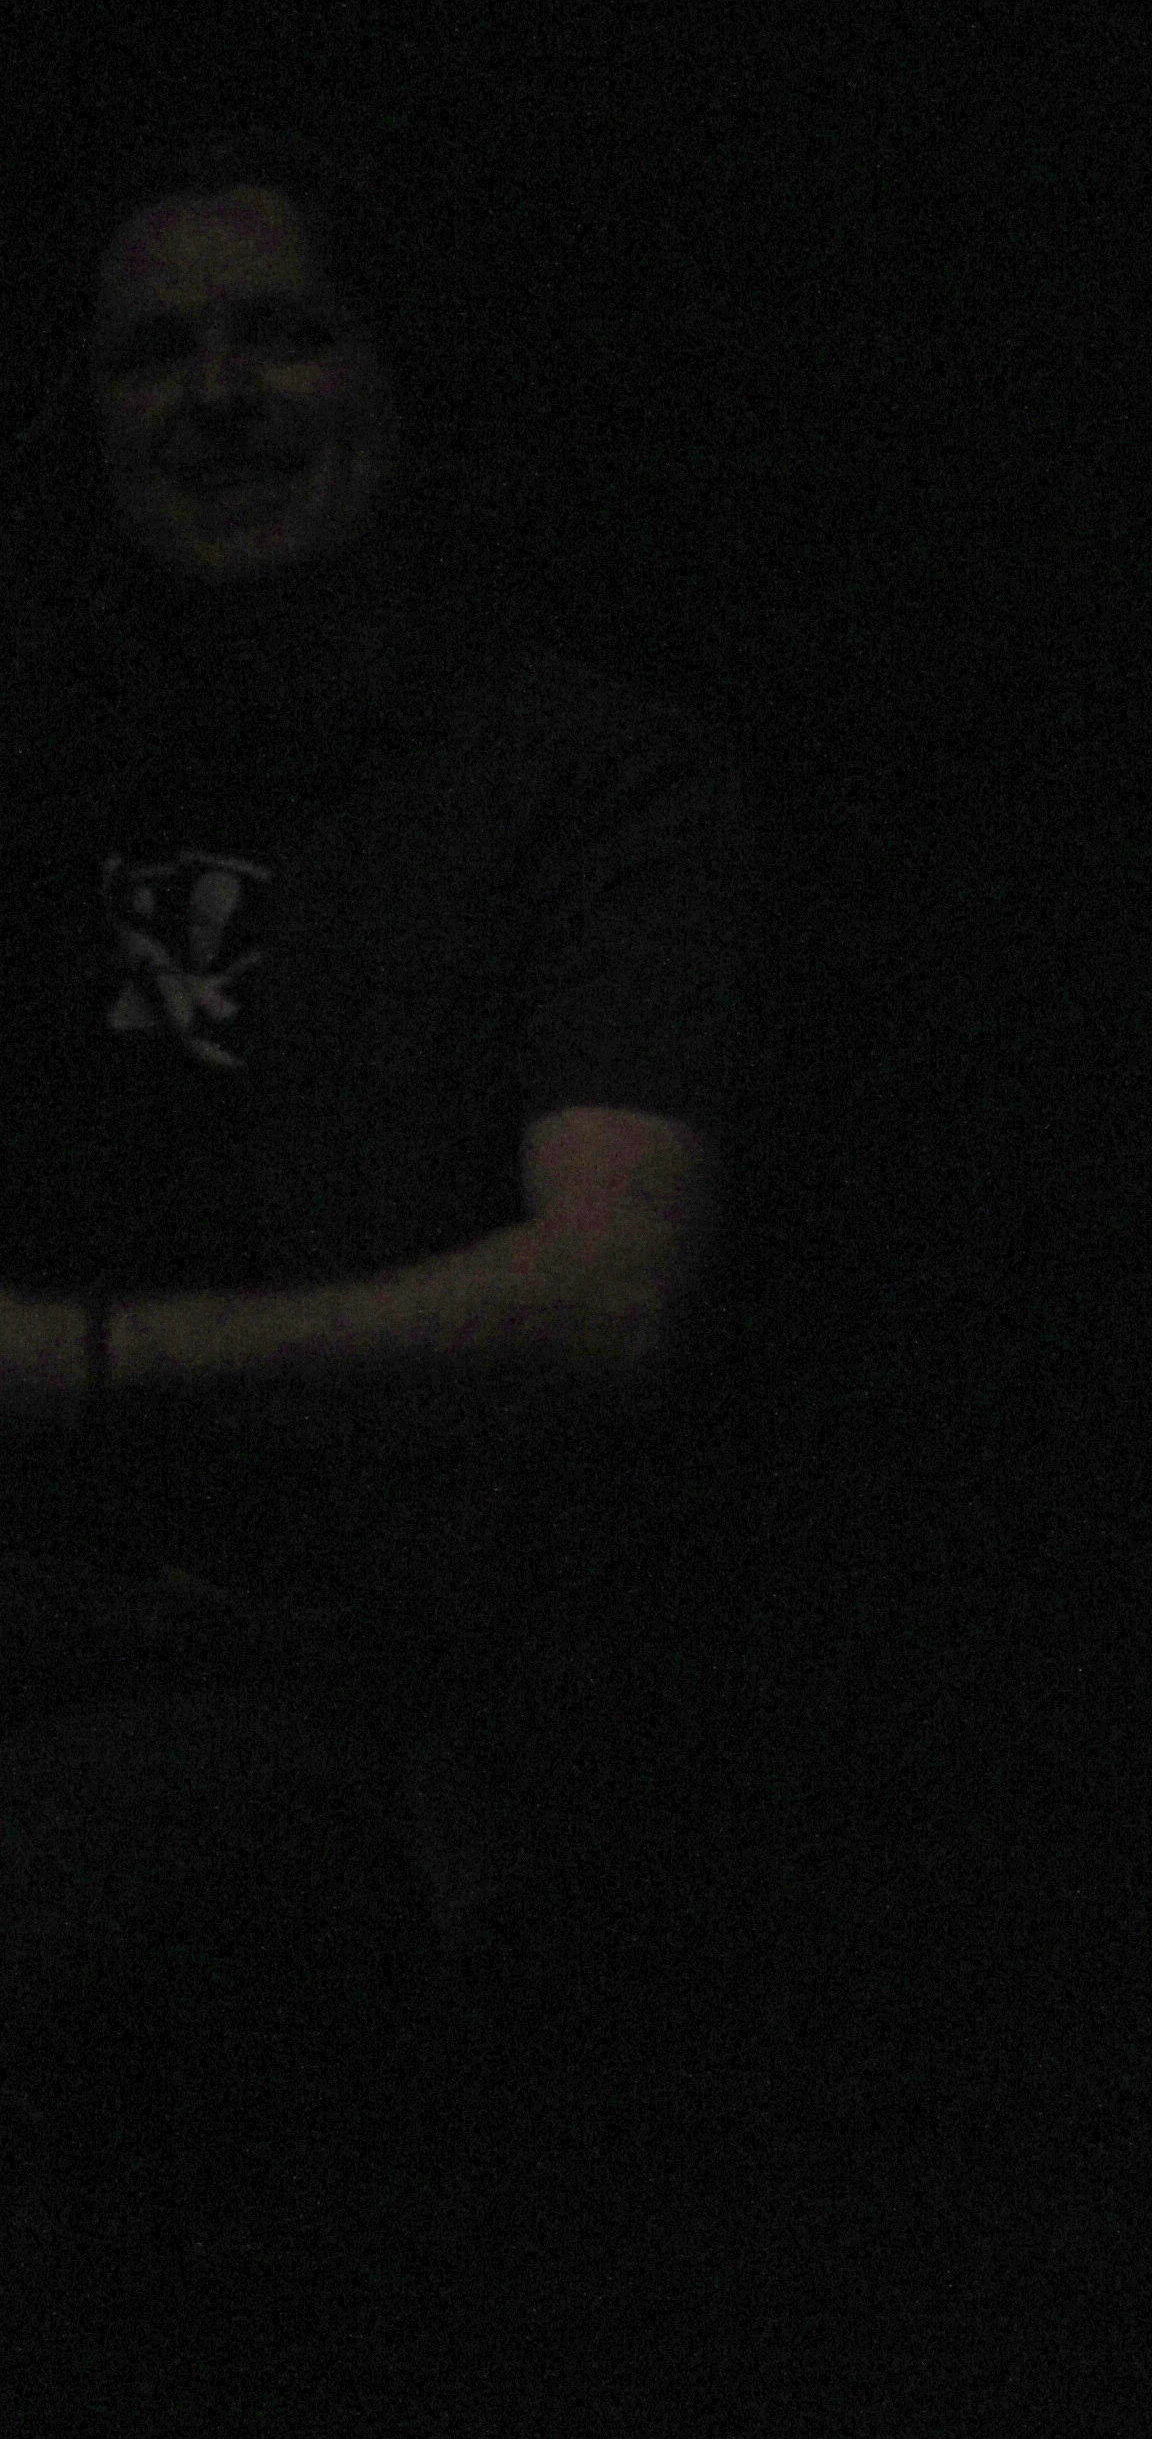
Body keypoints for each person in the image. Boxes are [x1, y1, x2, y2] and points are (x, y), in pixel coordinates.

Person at [0, 134, 747, 2370]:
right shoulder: (39, 764)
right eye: (155, 353)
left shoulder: (577, 778)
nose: (216, 396)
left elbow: (604, 1294)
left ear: (398, 381)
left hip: (342, 1675)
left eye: (280, 332)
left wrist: (86, 1360)